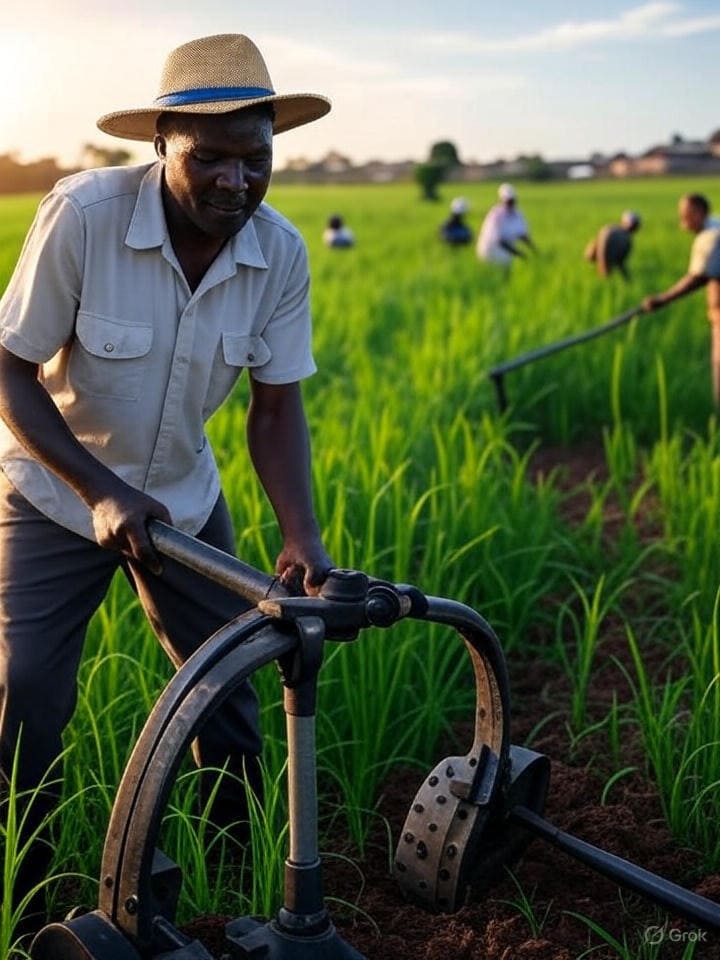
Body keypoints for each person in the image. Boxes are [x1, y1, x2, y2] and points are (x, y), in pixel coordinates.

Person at [0, 32, 334, 939]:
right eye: (210, 158)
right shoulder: (84, 215)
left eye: (255, 158)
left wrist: (301, 535)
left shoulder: (278, 251)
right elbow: (11, 370)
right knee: (26, 691)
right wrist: (101, 492)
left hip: (182, 498)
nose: (236, 181)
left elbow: (275, 406)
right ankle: (24, 894)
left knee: (229, 689)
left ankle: (235, 891)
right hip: (54, 494)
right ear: (161, 144)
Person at [642, 193, 720, 405]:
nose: (682, 220)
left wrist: (662, 300)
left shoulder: (710, 237)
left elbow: (698, 277)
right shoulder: (716, 225)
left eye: (686, 215)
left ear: (700, 212)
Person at [476, 183, 537, 267]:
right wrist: (520, 254)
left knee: (506, 269)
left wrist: (534, 250)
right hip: (490, 250)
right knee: (499, 270)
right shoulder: (496, 215)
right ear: (502, 200)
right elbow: (499, 241)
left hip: (506, 250)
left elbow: (522, 234)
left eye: (512, 200)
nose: (511, 203)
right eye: (508, 201)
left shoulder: (517, 213)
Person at [584, 210, 641, 281]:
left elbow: (620, 261)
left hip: (595, 261)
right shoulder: (621, 237)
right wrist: (603, 268)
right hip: (597, 263)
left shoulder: (610, 229)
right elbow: (602, 250)